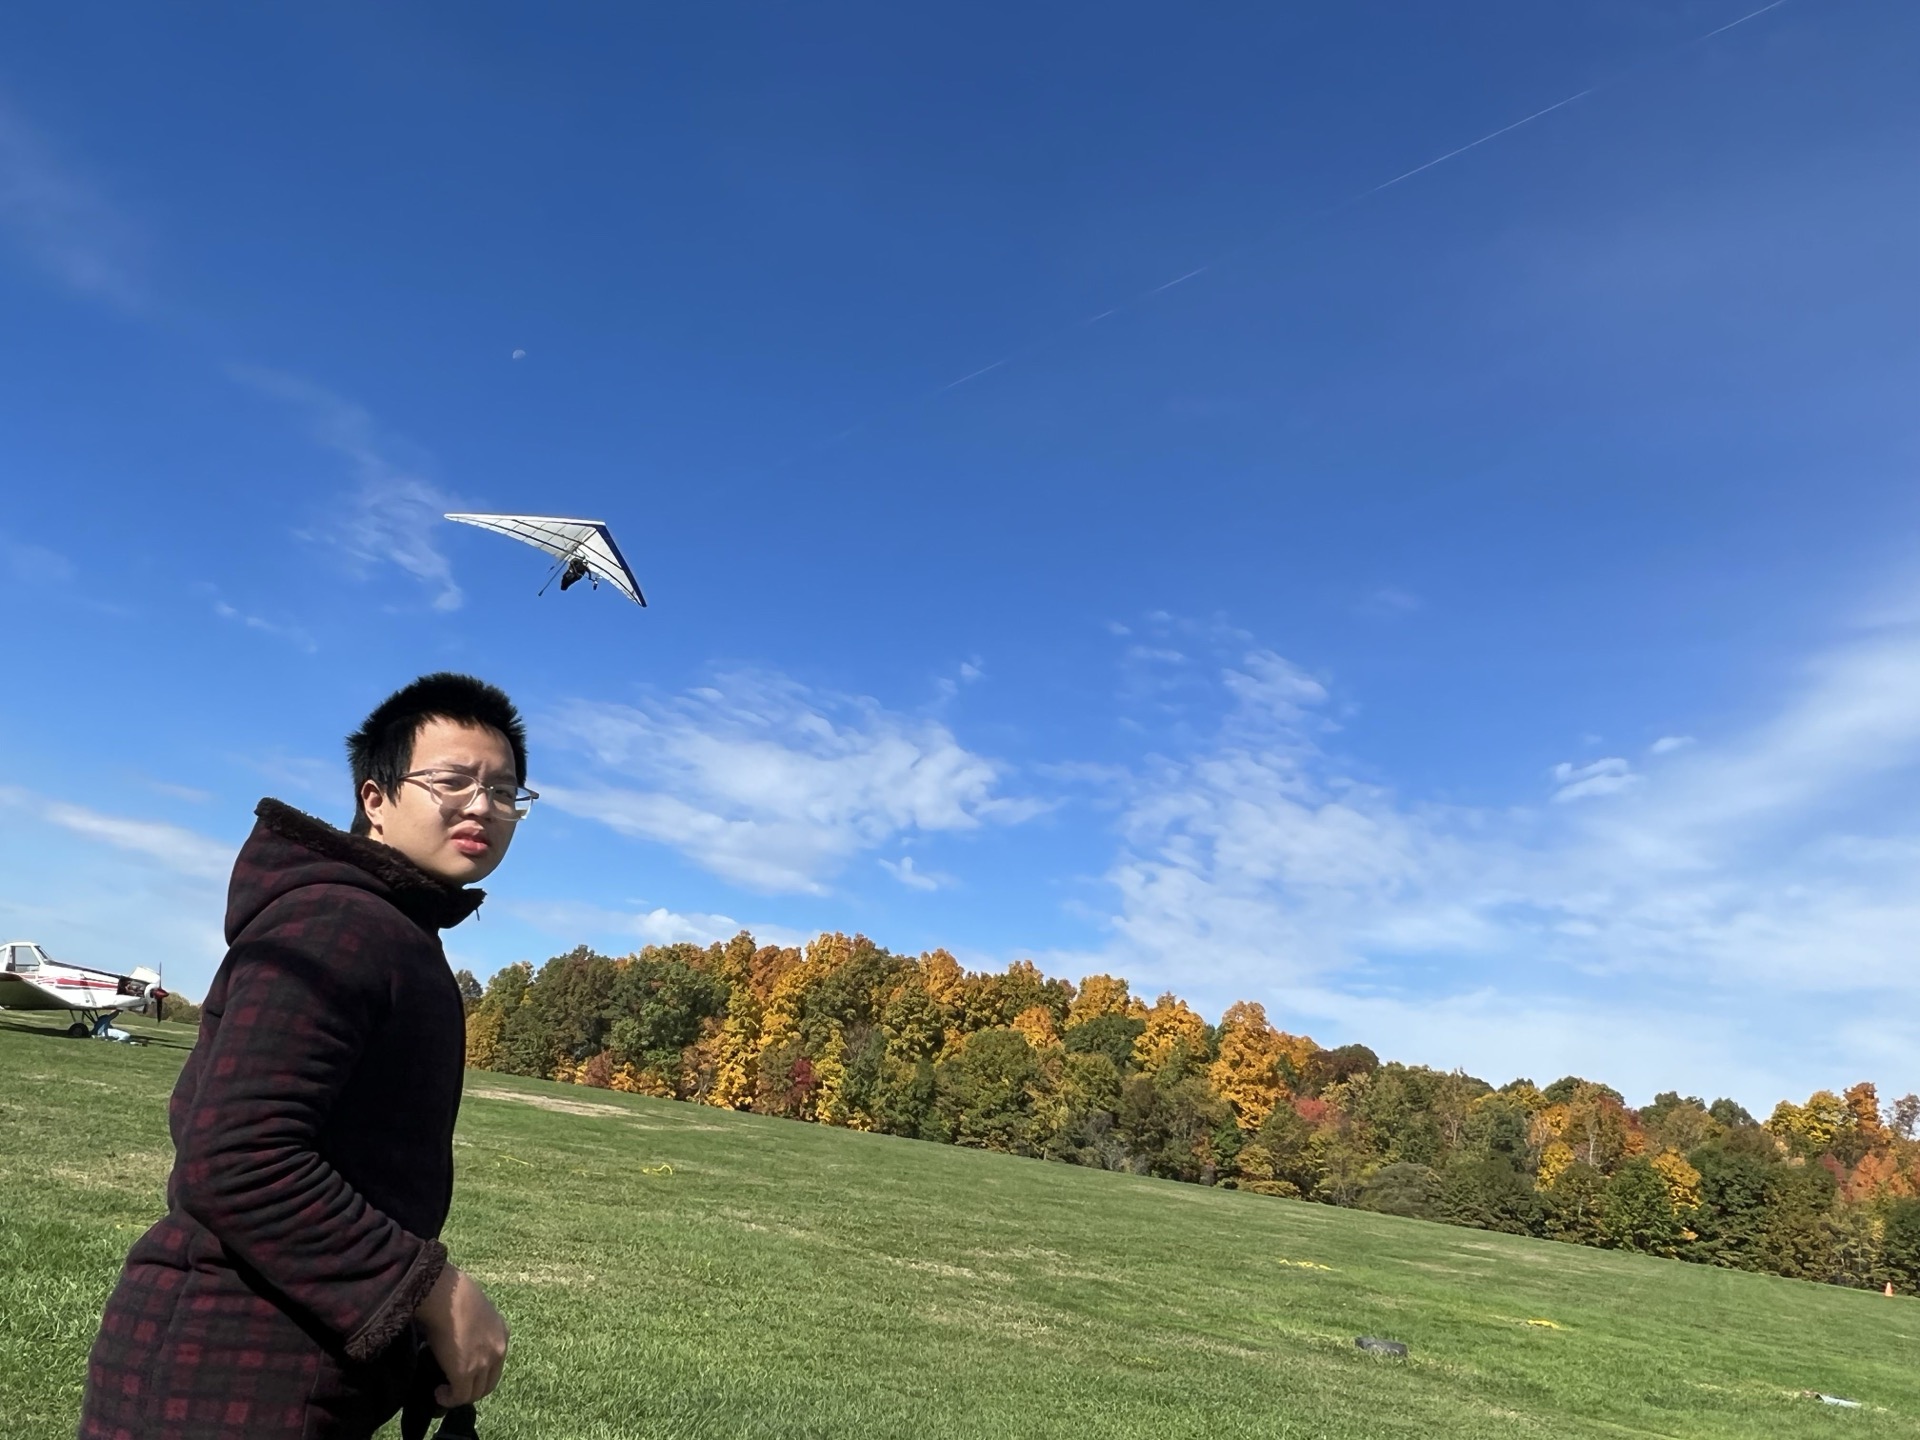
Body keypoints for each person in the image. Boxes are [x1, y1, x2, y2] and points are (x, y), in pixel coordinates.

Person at [79, 673, 532, 1440]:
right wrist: (430, 1289)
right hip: (220, 1376)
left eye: (506, 791)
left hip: (287, 1370)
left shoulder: (392, 929)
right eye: (452, 780)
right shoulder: (335, 922)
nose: (482, 805)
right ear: (376, 800)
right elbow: (236, 1158)